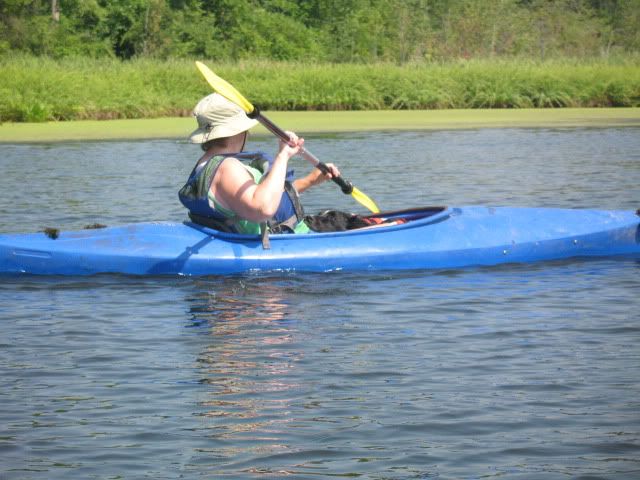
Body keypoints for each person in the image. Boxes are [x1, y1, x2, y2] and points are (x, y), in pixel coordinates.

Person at [179, 93, 341, 235]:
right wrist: (283, 155)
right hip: (282, 244)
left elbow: (263, 195)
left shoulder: (205, 165)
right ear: (238, 131)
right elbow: (263, 208)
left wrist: (310, 181)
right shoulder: (227, 168)